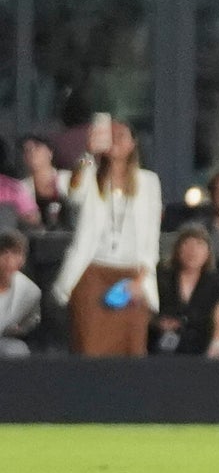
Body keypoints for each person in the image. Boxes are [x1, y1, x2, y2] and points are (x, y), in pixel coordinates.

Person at [51, 117, 162, 356]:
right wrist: (88, 153)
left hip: (132, 276)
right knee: (89, 348)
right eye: (109, 136)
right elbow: (73, 193)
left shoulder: (149, 181)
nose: (114, 141)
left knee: (132, 349)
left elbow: (151, 237)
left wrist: (141, 279)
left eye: (120, 136)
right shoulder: (90, 175)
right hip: (92, 272)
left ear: (133, 144)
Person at [151, 224, 219, 358]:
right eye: (187, 244)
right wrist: (158, 323)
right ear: (177, 249)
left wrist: (216, 345)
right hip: (161, 346)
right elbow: (147, 312)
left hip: (201, 348)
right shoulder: (161, 277)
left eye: (199, 245)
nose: (193, 251)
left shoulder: (215, 284)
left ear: (208, 253)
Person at [19, 135, 73, 230]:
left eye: (37, 147)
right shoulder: (20, 188)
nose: (32, 153)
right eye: (27, 150)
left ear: (50, 152)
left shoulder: (69, 179)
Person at [0, 230, 41, 357]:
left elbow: (31, 321)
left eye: (15, 253)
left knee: (17, 350)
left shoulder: (30, 291)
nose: (9, 260)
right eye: (4, 253)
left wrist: (21, 329)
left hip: (4, 342)